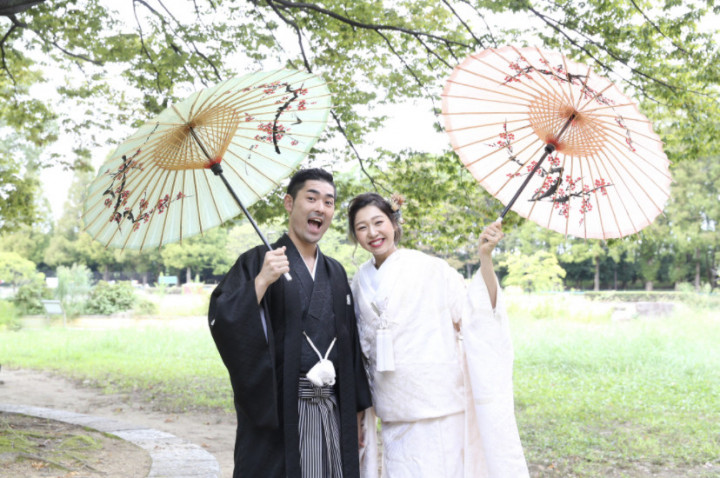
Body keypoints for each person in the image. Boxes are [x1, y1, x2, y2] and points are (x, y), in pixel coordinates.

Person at [348, 192, 529, 478]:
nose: (372, 233)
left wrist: (485, 257)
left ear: (394, 223)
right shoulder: (359, 281)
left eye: (378, 222)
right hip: (393, 411)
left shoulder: (430, 268)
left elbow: (476, 315)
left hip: (438, 409)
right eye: (361, 227)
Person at [209, 169, 372, 478]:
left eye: (328, 202)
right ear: (289, 203)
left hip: (332, 409)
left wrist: (358, 412)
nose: (320, 208)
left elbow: (350, 345)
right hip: (282, 411)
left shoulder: (335, 272)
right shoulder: (259, 260)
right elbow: (223, 318)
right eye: (311, 198)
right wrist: (261, 281)